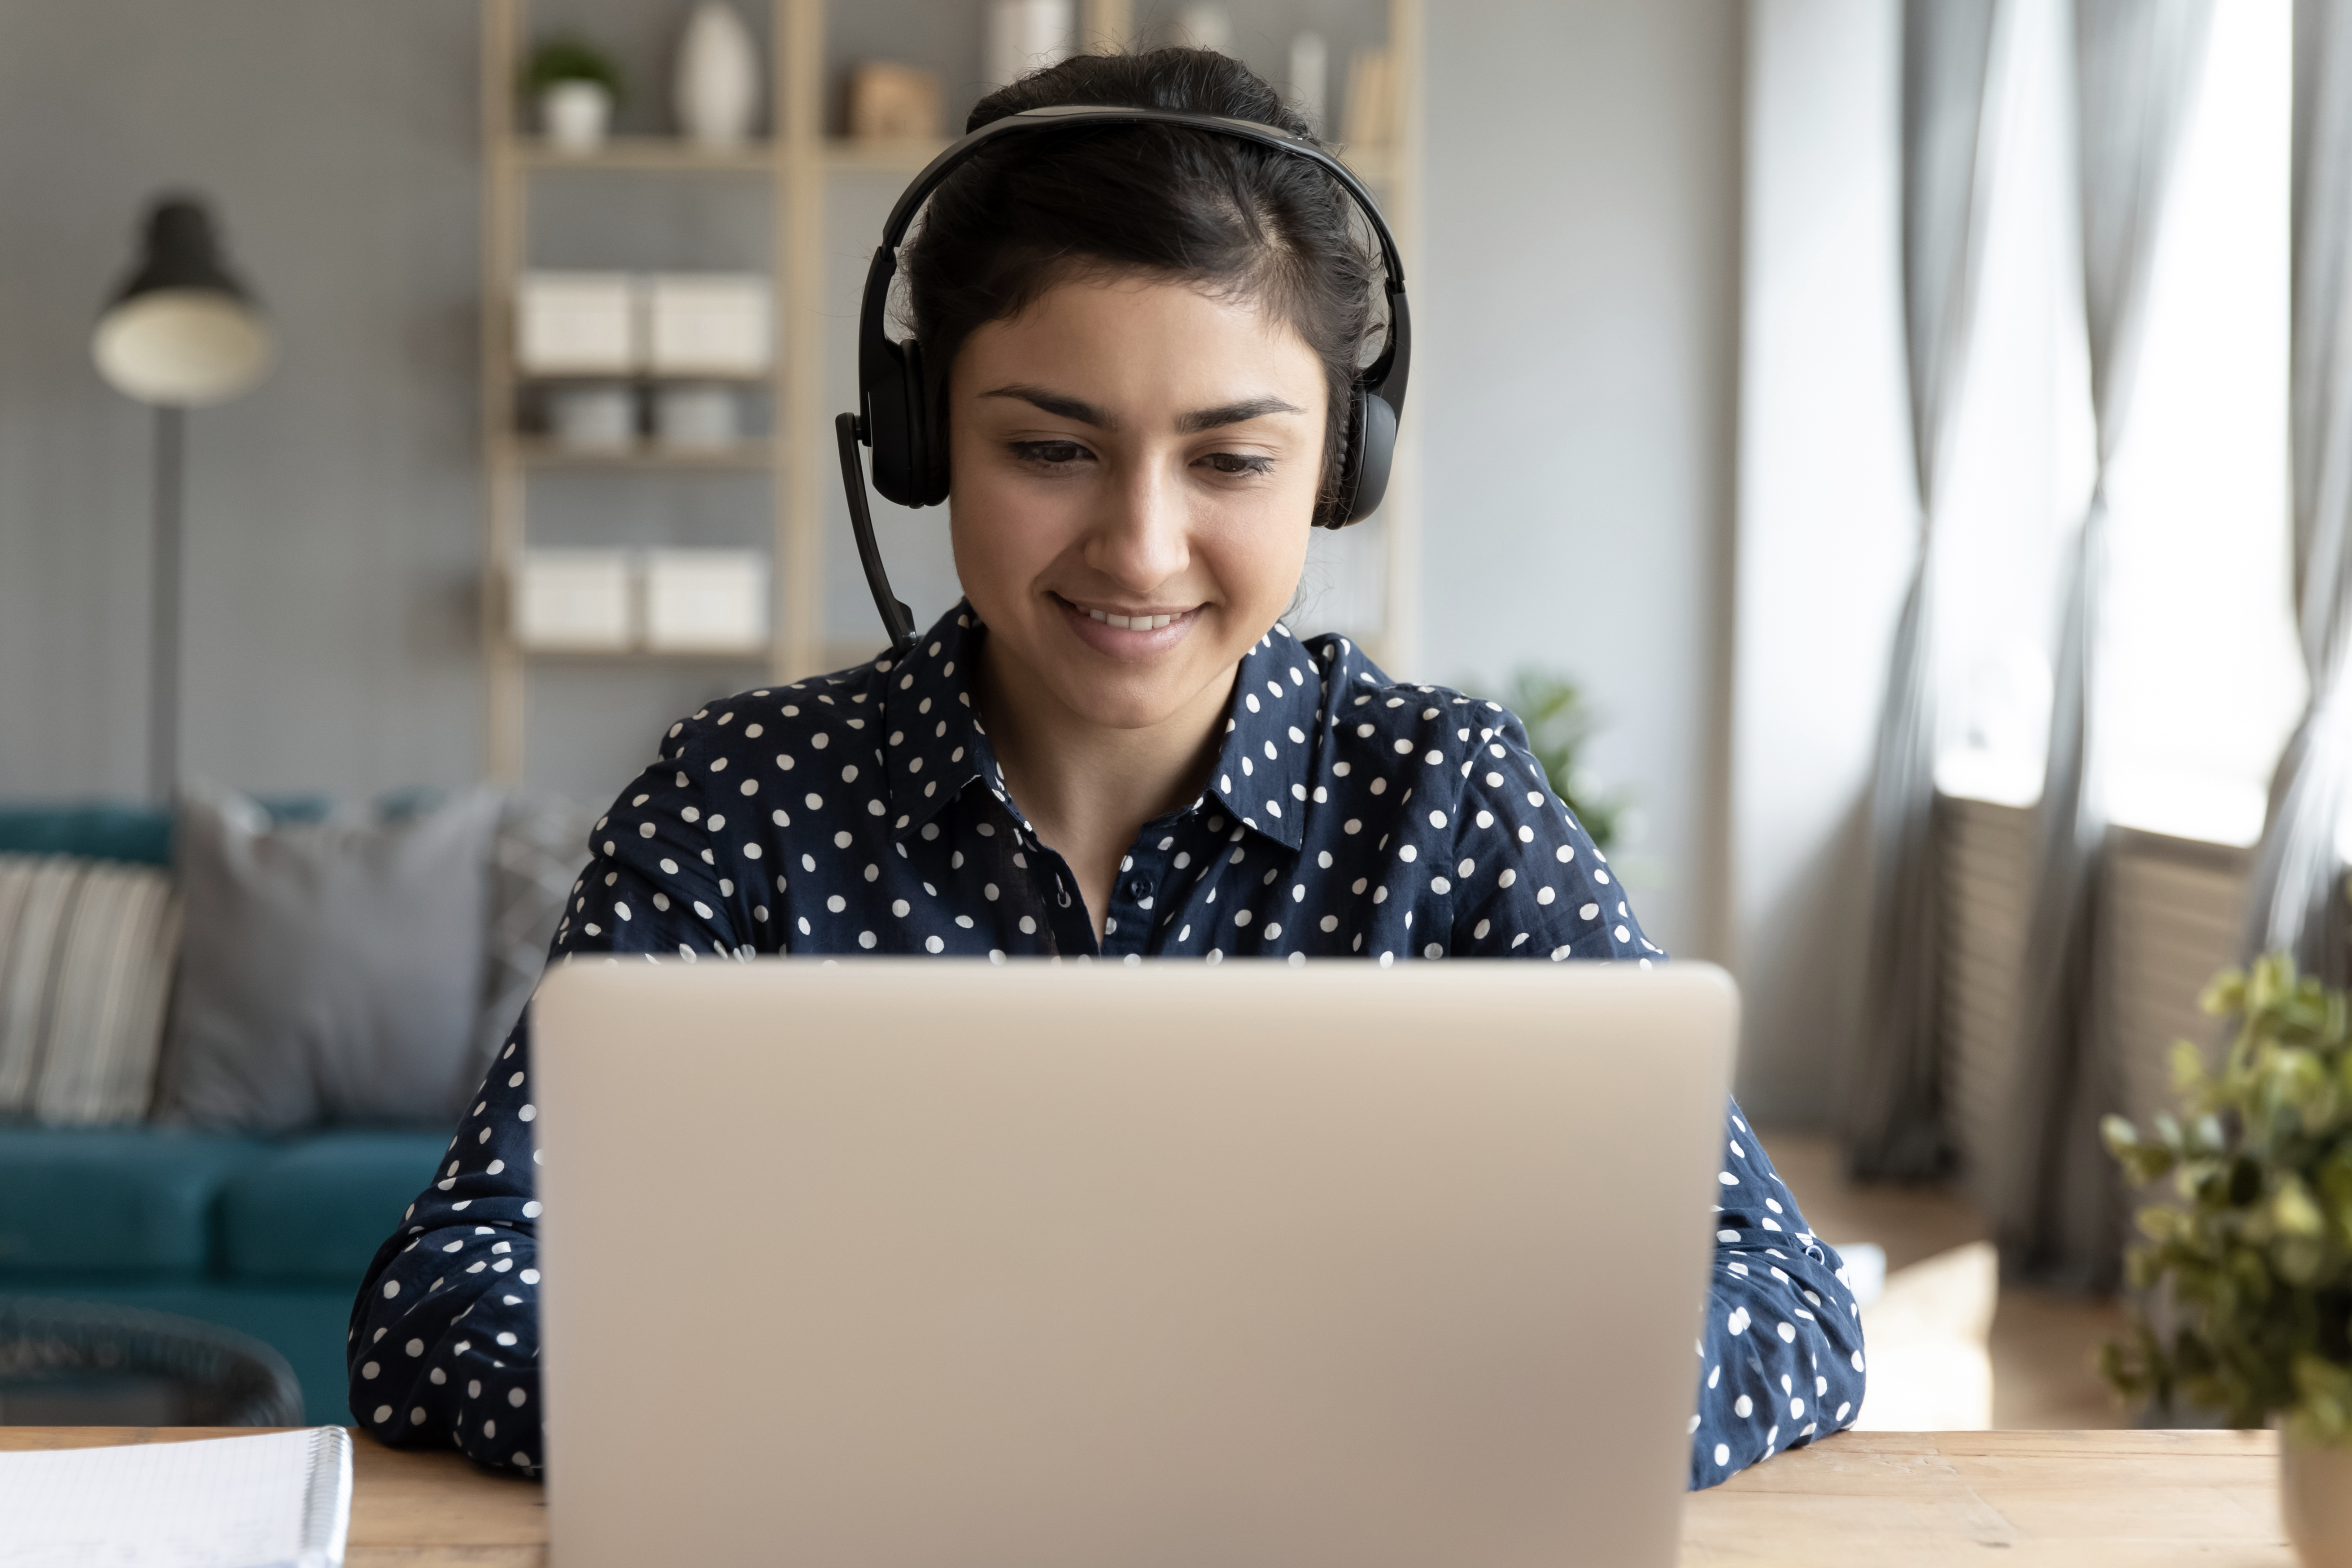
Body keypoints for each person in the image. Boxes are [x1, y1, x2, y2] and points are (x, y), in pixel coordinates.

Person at [350, 46, 1864, 1489]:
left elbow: (1773, 1291)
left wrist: (1389, 1424)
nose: (1141, 547)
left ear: (1343, 465)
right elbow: (448, 1295)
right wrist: (911, 1433)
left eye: (1232, 459)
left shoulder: (1442, 808)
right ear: (920, 435)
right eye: (1052, 449)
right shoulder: (741, 805)